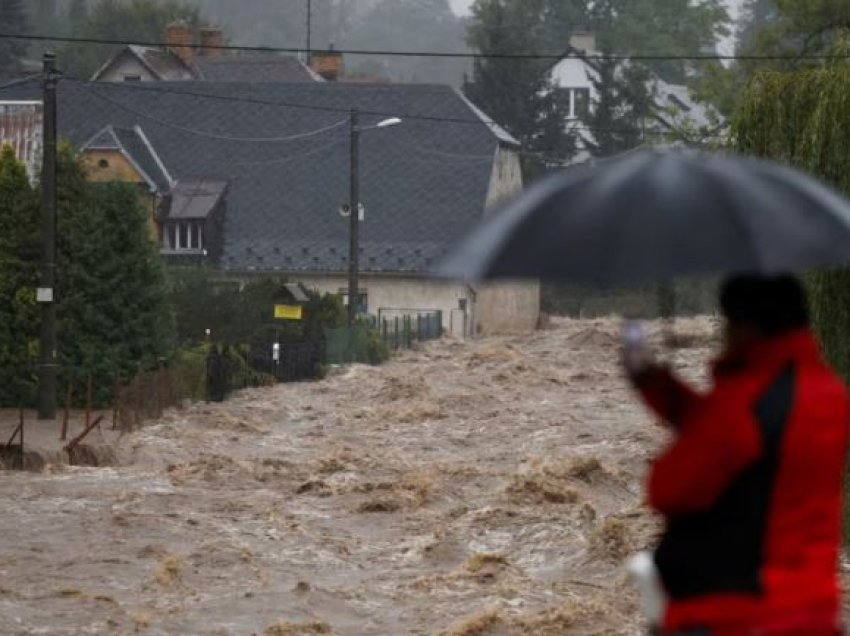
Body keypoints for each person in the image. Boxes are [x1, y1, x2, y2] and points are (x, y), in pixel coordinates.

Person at [624, 274, 849, 635]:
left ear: (746, 326)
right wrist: (661, 389)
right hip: (812, 607)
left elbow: (668, 488)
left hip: (736, 612)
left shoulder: (739, 404)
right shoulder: (829, 393)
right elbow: (758, 448)